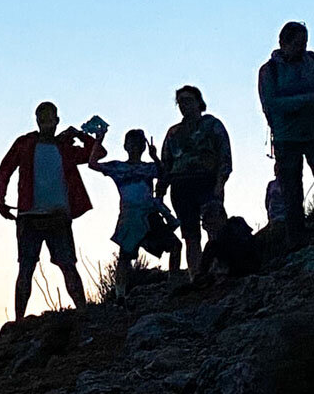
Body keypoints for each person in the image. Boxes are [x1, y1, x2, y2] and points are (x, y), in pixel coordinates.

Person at [0, 102, 102, 317]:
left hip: (58, 216)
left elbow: (96, 154)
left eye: (49, 117)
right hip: (28, 216)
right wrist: (0, 200)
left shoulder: (64, 148)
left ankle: (83, 312)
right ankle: (20, 319)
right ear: (36, 120)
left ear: (56, 120)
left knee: (68, 265)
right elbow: (5, 170)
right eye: (41, 117)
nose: (45, 121)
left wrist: (81, 135)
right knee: (26, 267)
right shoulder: (25, 143)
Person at [258, 21, 314, 247]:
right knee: (291, 192)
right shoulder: (269, 71)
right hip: (286, 139)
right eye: (298, 44)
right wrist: (309, 99)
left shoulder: (313, 60)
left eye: (305, 43)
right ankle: (297, 241)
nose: (302, 48)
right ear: (283, 43)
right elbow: (271, 104)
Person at [89, 129, 182, 304]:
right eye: (131, 143)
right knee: (125, 256)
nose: (134, 147)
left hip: (149, 214)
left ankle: (174, 286)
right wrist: (98, 140)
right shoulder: (118, 167)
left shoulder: (148, 167)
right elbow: (93, 164)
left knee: (175, 245)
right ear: (125, 146)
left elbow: (165, 173)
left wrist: (155, 157)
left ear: (142, 147)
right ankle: (120, 295)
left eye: (138, 144)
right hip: (130, 216)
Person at [156, 86, 232, 277]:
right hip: (181, 187)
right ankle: (196, 275)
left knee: (215, 226)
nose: (184, 105)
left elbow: (224, 154)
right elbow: (166, 163)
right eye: (180, 102)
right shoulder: (173, 132)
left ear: (199, 102)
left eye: (188, 100)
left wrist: (220, 183)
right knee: (190, 234)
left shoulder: (212, 125)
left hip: (207, 182)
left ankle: (221, 268)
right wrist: (160, 191)